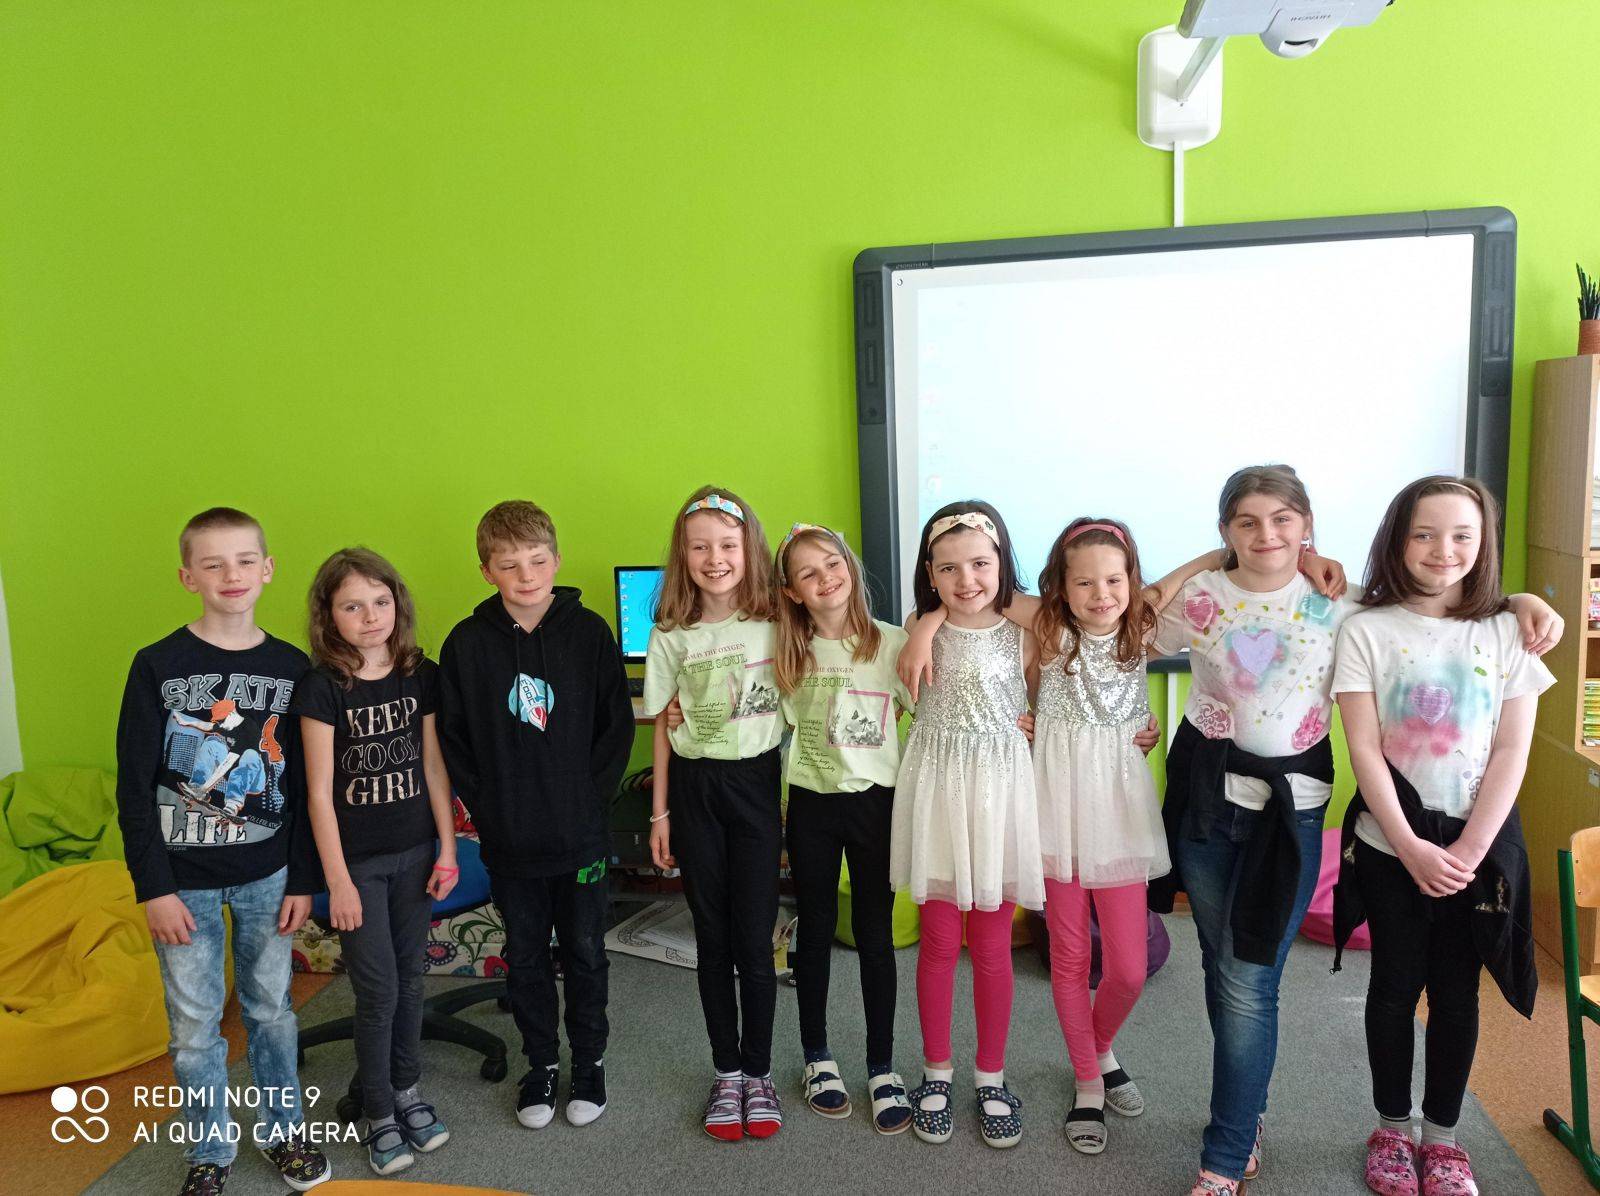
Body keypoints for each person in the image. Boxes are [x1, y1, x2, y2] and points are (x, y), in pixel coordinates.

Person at [1148, 464, 1561, 1196]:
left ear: (1308, 527)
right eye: (1246, 522)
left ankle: (1226, 1152)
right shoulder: (1206, 597)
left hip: (1294, 808)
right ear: (1225, 531)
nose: (1267, 535)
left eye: (1284, 520)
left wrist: (1523, 601)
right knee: (1222, 963)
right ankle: (1252, 1110)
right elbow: (1130, 615)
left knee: (1248, 979)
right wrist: (1213, 558)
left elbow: (1442, 607)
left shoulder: (1345, 604)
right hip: (1208, 801)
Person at [1332, 477, 1551, 1196]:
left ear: (1484, 543)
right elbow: (1364, 750)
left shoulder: (1510, 630)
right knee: (1394, 988)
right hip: (1392, 845)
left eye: (1462, 535)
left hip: (1474, 848)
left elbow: (1513, 750)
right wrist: (1411, 846)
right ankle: (1392, 1129)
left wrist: (1467, 853)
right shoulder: (1365, 629)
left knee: (1458, 996)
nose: (1442, 549)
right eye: (1423, 533)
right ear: (1398, 539)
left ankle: (1445, 1140)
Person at [115, 507, 330, 1196]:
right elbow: (133, 786)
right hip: (183, 883)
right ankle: (208, 1149)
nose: (230, 575)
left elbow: (306, 786)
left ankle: (284, 1131)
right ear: (188, 577)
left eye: (243, 561)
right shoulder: (158, 665)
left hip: (269, 875)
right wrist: (154, 887)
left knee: (272, 1011)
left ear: (267, 570)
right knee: (193, 1027)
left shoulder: (292, 668)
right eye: (212, 564)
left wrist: (302, 879)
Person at [437, 501, 634, 1132]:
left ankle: (589, 1061)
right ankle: (542, 1063)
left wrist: (588, 803)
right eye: (509, 564)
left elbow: (615, 728)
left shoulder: (590, 633)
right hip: (510, 838)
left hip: (580, 836)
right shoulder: (466, 644)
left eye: (537, 560)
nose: (526, 575)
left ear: (556, 560)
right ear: (486, 571)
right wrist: (490, 810)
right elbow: (456, 742)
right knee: (524, 955)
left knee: (585, 950)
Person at [294, 548, 458, 1174]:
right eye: (353, 606)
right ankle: (379, 1112)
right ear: (329, 616)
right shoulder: (322, 687)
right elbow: (317, 794)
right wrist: (336, 881)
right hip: (357, 866)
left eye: (381, 602)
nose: (370, 617)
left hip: (416, 852)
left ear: (398, 604)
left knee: (411, 978)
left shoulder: (420, 674)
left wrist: (447, 848)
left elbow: (434, 767)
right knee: (379, 990)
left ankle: (407, 1090)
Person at [890, 500, 1042, 1149]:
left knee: (992, 945)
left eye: (980, 563)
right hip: (938, 795)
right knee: (938, 940)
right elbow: (920, 630)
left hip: (999, 797)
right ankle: (936, 1071)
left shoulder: (1026, 630)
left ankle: (990, 1076)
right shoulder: (917, 627)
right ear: (929, 572)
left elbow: (1046, 695)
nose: (966, 579)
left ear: (1002, 561)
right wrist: (926, 625)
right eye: (948, 568)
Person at [644, 485, 785, 1140]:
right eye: (699, 547)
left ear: (748, 550)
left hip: (755, 783)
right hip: (695, 789)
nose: (715, 558)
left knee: (754, 939)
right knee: (713, 937)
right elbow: (661, 725)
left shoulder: (778, 620)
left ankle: (759, 1072)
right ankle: (726, 1073)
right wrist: (659, 814)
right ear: (683, 555)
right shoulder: (671, 632)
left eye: (727, 545)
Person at [772, 522, 915, 1133]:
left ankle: (882, 1065)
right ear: (792, 591)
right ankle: (817, 1057)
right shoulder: (787, 652)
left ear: (851, 568)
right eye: (808, 573)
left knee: (875, 934)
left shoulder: (894, 643)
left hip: (876, 807)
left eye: (832, 564)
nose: (825, 578)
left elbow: (933, 714)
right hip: (811, 807)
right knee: (816, 928)